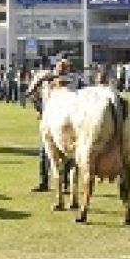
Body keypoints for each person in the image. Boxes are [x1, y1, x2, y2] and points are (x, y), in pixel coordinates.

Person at [31, 58, 81, 194]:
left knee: (68, 155)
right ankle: (43, 182)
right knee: (44, 153)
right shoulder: (46, 79)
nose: (63, 69)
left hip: (67, 122)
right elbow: (33, 95)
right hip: (48, 120)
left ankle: (65, 185)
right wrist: (39, 110)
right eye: (61, 66)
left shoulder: (74, 81)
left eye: (65, 67)